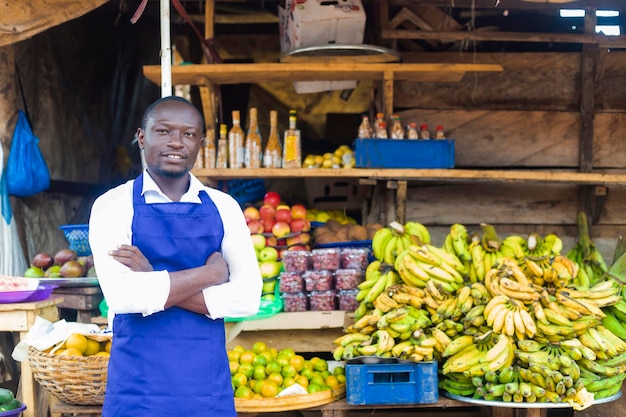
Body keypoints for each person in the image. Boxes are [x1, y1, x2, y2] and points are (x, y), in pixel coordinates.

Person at [88, 96, 262, 417]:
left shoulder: (225, 207)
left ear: (201, 143)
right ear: (142, 137)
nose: (176, 143)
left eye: (188, 134)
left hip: (205, 383)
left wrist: (151, 278)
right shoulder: (112, 205)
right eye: (164, 131)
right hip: (138, 384)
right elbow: (123, 297)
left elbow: (248, 299)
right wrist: (209, 275)